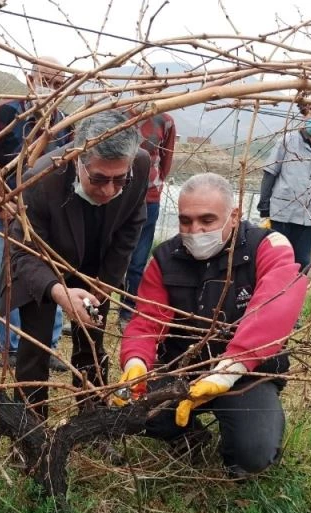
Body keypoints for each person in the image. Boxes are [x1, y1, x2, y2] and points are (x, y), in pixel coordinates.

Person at [116, 173, 307, 476]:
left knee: (253, 455)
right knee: (135, 410)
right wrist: (136, 361)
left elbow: (276, 304)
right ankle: (189, 437)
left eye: (207, 220)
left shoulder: (267, 245)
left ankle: (237, 451)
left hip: (248, 373)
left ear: (234, 215)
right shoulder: (164, 258)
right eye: (186, 221)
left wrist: (229, 370)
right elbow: (146, 322)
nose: (195, 231)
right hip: (184, 369)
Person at [3, 110, 149, 419]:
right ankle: (30, 424)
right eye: (98, 178)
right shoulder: (42, 179)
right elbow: (24, 253)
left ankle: (92, 414)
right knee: (36, 343)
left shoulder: (139, 165)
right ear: (78, 160)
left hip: (99, 261)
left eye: (118, 179)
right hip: (46, 262)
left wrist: (104, 284)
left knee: (92, 342)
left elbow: (132, 224)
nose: (109, 190)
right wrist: (58, 291)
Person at [0, 58, 72, 371]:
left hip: (45, 221)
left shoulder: (65, 123)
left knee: (51, 278)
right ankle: (10, 347)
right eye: (44, 81)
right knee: (5, 281)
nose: (49, 89)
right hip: (3, 218)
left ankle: (47, 348)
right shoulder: (5, 115)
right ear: (29, 79)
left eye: (57, 83)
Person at [119, 77, 176, 330]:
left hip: (148, 198)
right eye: (142, 90)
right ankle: (94, 306)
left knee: (138, 259)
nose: (146, 95)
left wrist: (155, 185)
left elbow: (166, 159)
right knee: (106, 253)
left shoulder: (166, 121)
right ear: (133, 88)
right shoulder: (118, 115)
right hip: (116, 194)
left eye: (151, 91)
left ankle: (126, 312)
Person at [257, 102, 311, 271]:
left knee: (302, 263)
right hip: (283, 213)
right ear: (305, 115)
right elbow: (270, 173)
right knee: (277, 260)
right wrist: (264, 208)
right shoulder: (287, 140)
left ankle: (295, 296)